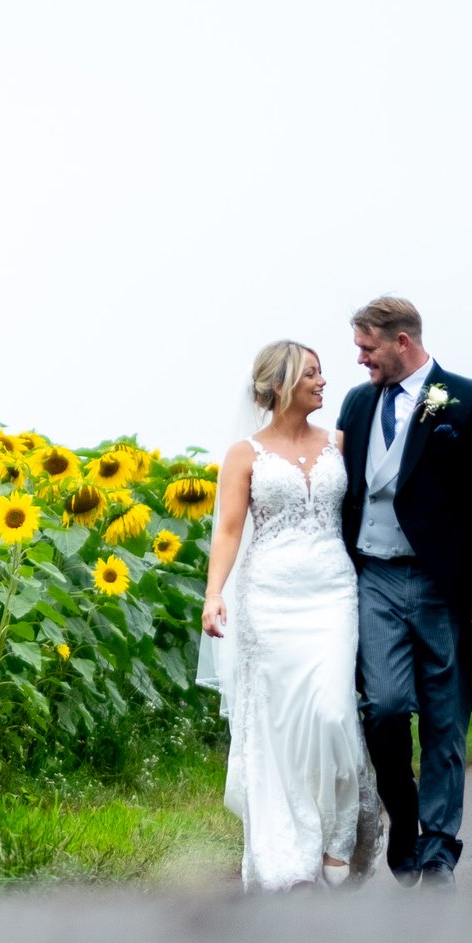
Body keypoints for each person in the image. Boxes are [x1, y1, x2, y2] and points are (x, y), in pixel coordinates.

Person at [336, 296, 472, 888]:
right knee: (384, 708)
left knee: (446, 720)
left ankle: (438, 850)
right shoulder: (358, 403)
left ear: (402, 342)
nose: (360, 359)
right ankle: (406, 817)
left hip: (446, 585)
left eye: (368, 348)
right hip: (376, 578)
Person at [199, 340, 382, 890]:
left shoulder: (341, 444)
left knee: (330, 713)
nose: (323, 381)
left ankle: (338, 837)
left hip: (331, 592)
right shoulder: (245, 454)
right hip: (268, 599)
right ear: (280, 385)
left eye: (323, 372)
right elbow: (229, 529)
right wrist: (214, 594)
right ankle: (291, 851)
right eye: (312, 373)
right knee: (282, 727)